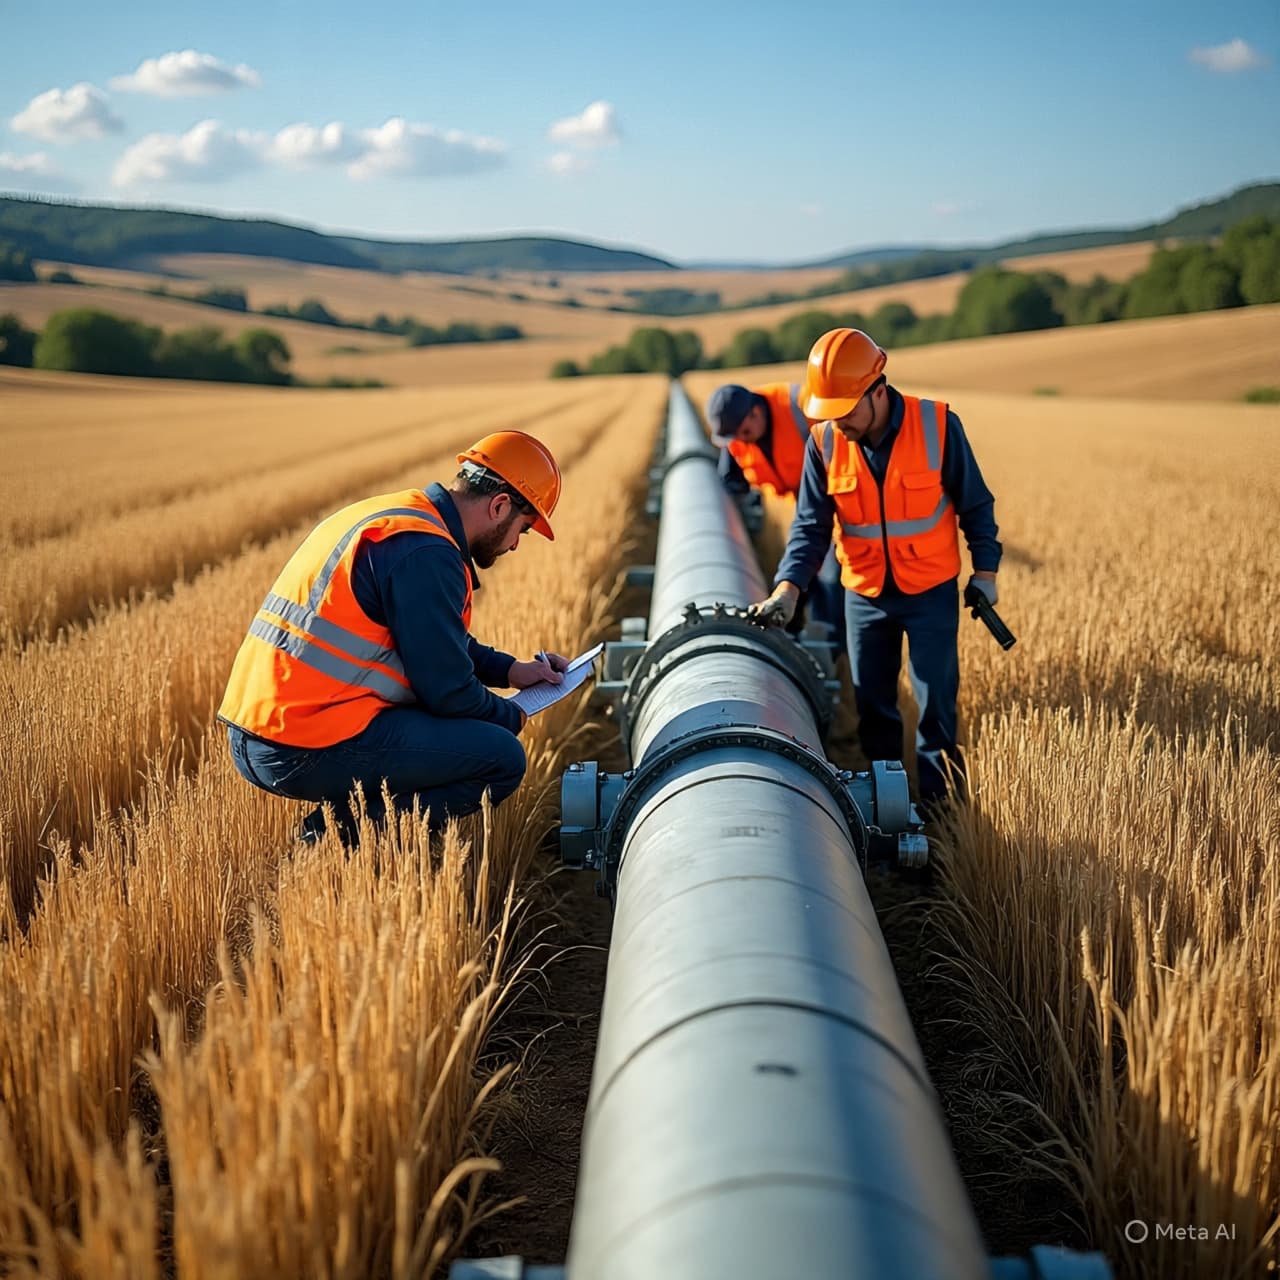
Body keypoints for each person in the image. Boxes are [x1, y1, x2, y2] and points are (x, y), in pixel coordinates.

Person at [219, 430, 568, 845]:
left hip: (262, 729)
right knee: (499, 758)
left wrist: (511, 671)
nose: (514, 545)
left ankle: (337, 830)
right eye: (523, 531)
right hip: (300, 743)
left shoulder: (398, 519)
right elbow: (448, 692)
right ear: (499, 506)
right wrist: (512, 716)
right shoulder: (426, 553)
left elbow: (434, 642)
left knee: (466, 738)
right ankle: (327, 841)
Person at [748, 328, 1002, 810]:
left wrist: (985, 572)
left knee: (936, 711)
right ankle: (886, 811)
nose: (837, 423)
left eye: (845, 411)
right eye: (829, 413)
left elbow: (976, 506)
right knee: (874, 710)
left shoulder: (939, 427)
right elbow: (810, 528)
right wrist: (788, 589)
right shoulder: (824, 443)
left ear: (877, 390)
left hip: (930, 592)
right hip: (863, 595)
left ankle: (936, 816)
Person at [706, 381, 844, 651]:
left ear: (756, 412)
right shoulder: (738, 438)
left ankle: (832, 655)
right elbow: (731, 480)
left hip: (840, 507)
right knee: (797, 579)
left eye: (744, 432)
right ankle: (800, 639)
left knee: (831, 585)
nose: (742, 441)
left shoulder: (803, 406)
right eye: (735, 438)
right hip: (807, 509)